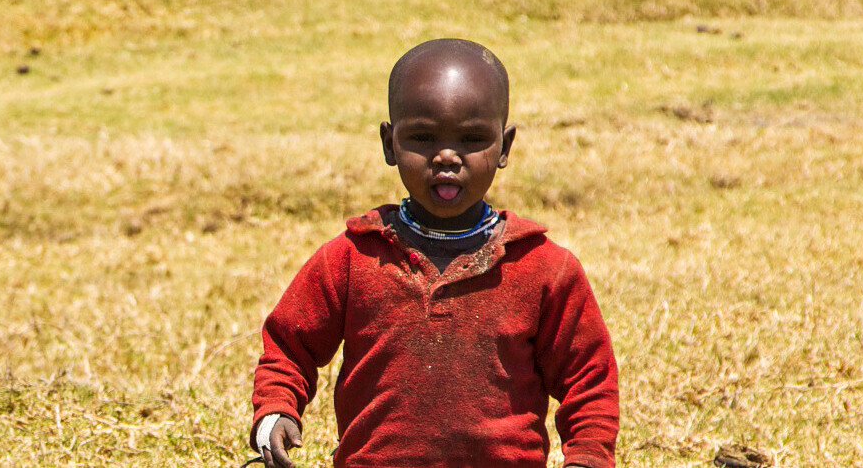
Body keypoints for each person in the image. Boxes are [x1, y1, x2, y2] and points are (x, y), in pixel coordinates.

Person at [248, 39, 620, 468]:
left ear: (505, 147)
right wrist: (275, 411)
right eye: (423, 137)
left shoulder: (544, 269)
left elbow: (588, 379)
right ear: (390, 143)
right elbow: (288, 346)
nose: (446, 157)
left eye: (473, 138)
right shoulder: (352, 259)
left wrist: (587, 457)